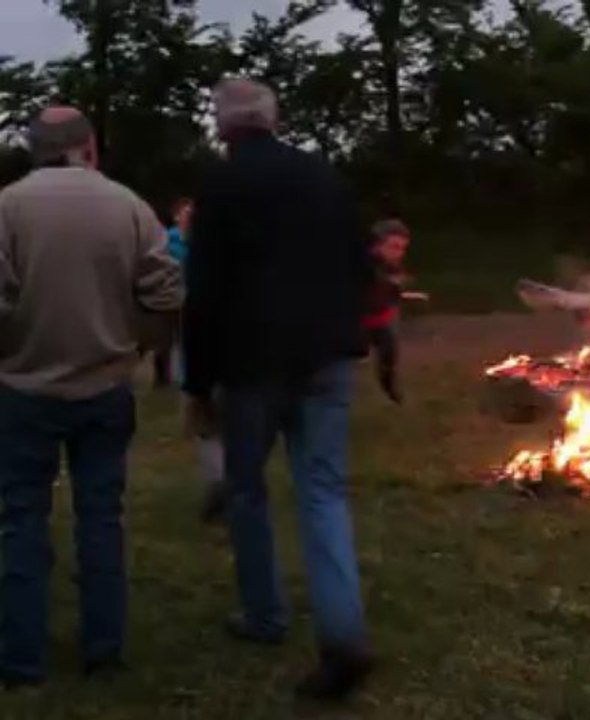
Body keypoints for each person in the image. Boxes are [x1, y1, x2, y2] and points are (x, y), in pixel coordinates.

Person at [183, 78, 374, 701]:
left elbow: (204, 292)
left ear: (223, 125)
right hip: (325, 358)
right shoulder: (326, 177)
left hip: (252, 365)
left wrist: (197, 383)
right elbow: (360, 265)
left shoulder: (219, 187)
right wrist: (352, 335)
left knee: (247, 492)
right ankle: (344, 636)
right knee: (322, 493)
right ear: (274, 118)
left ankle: (264, 616)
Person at [0, 107, 183, 686]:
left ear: (34, 149)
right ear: (90, 148)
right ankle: (104, 649)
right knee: (101, 518)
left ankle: (21, 658)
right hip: (105, 387)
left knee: (20, 520)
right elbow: (165, 293)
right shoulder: (129, 206)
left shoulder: (6, 208)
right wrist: (136, 347)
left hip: (22, 390)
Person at [364, 219, 412, 404]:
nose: (399, 253)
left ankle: (390, 389)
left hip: (382, 320)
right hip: (359, 321)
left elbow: (393, 292)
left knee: (388, 357)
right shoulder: (362, 266)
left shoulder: (393, 266)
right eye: (393, 247)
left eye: (402, 248)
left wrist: (397, 291)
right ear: (376, 245)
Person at [152, 198, 193, 388]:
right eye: (185, 213)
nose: (189, 216)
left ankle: (186, 376)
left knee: (188, 338)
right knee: (165, 340)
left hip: (191, 295)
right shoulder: (167, 239)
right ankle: (162, 377)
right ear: (177, 217)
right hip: (170, 294)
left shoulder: (198, 240)